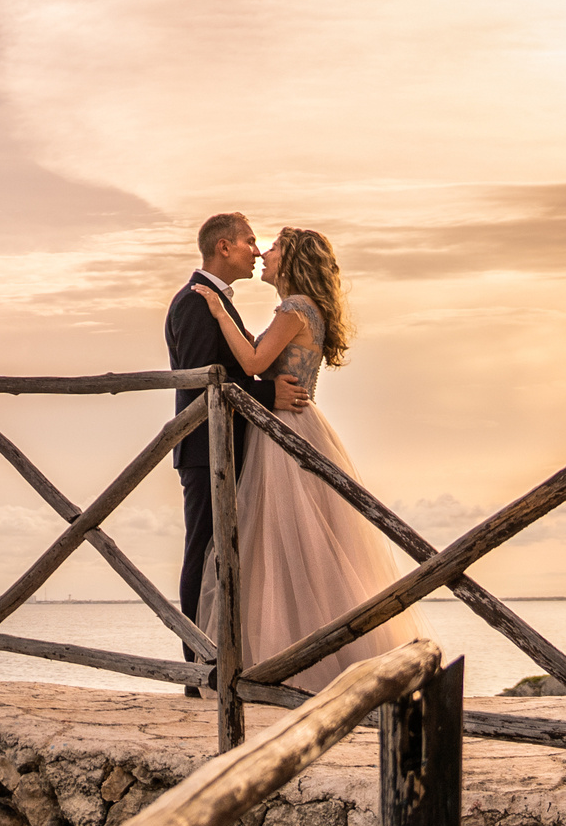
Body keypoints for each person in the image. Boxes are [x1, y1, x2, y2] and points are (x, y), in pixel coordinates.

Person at [189, 225, 420, 692]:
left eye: (272, 248)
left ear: (291, 260)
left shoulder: (294, 310)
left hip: (285, 431)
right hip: (295, 424)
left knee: (279, 544)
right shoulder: (303, 311)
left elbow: (254, 363)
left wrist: (217, 309)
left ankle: (283, 663)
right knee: (297, 547)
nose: (264, 254)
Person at [165, 213, 306, 694]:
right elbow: (206, 381)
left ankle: (224, 660)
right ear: (223, 247)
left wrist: (263, 391)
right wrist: (269, 396)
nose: (256, 248)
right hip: (206, 450)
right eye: (249, 241)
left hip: (228, 447)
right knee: (202, 552)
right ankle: (197, 668)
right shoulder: (194, 303)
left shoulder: (217, 303)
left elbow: (235, 375)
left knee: (223, 555)